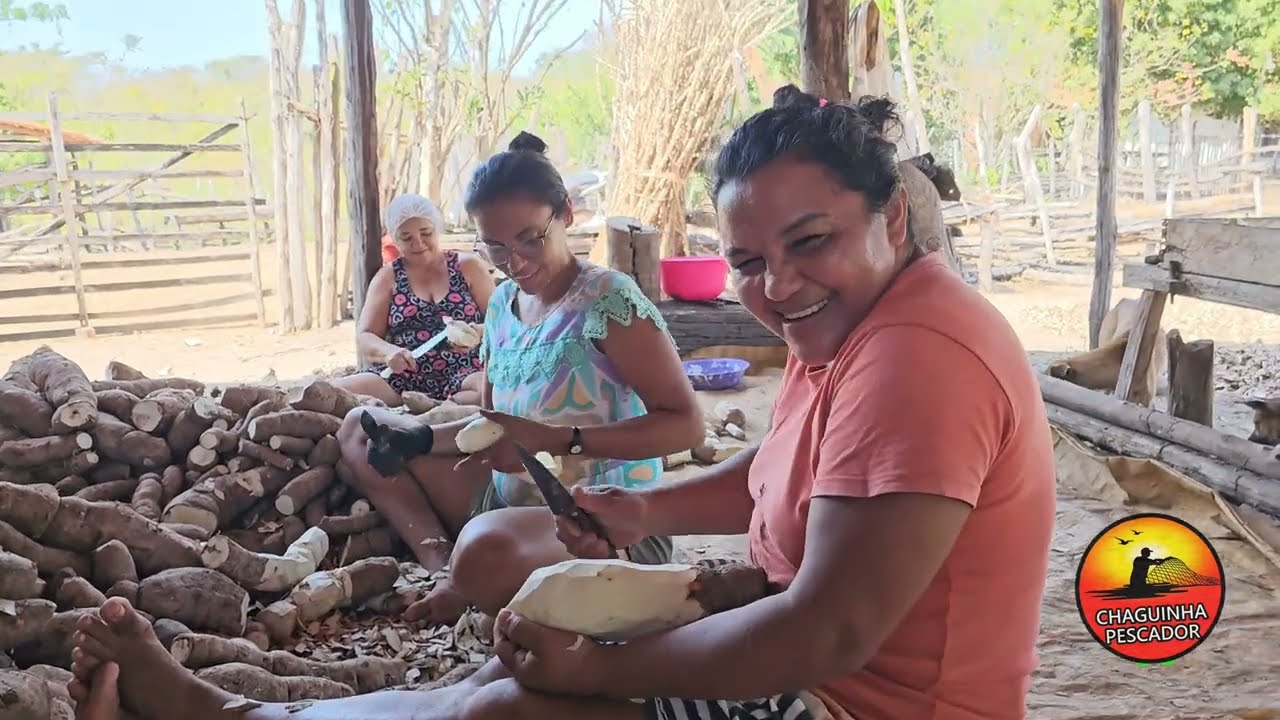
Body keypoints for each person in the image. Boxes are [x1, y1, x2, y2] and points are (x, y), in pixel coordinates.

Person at [67, 89, 1056, 720]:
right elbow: (776, 470)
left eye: (809, 242)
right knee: (498, 675)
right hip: (804, 639)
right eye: (748, 261)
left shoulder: (916, 357)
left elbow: (829, 635)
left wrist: (601, 671)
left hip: (858, 702)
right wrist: (643, 510)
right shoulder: (844, 330)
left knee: (514, 703)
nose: (775, 284)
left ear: (890, 218)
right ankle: (243, 718)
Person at [333, 131, 704, 624]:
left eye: (531, 238)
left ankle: (468, 575)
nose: (517, 262)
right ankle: (443, 565)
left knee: (488, 553)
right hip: (506, 498)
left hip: (599, 522)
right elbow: (491, 426)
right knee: (360, 427)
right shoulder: (505, 306)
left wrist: (560, 441)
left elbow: (686, 426)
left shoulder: (608, 301)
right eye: (496, 248)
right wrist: (419, 437)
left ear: (566, 214)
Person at [330, 193, 494, 407]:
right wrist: (389, 352)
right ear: (394, 240)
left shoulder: (469, 267)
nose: (418, 243)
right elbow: (365, 336)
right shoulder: (388, 278)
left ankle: (436, 408)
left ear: (437, 229)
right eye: (406, 237)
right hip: (405, 374)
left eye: (426, 233)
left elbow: (502, 322)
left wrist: (477, 332)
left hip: (466, 368)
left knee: (491, 391)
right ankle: (439, 407)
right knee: (332, 391)